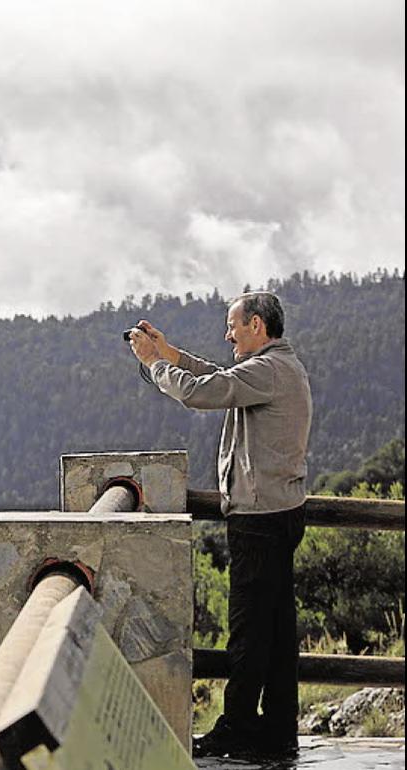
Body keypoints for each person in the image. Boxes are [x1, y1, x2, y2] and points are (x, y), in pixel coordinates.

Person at [127, 291, 312, 759]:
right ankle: (277, 732)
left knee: (250, 631)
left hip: (259, 520)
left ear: (256, 326)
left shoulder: (267, 370)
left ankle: (239, 729)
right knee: (275, 631)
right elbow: (218, 376)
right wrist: (169, 353)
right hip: (279, 513)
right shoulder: (276, 368)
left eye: (232, 326)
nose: (227, 334)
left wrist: (153, 366)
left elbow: (199, 392)